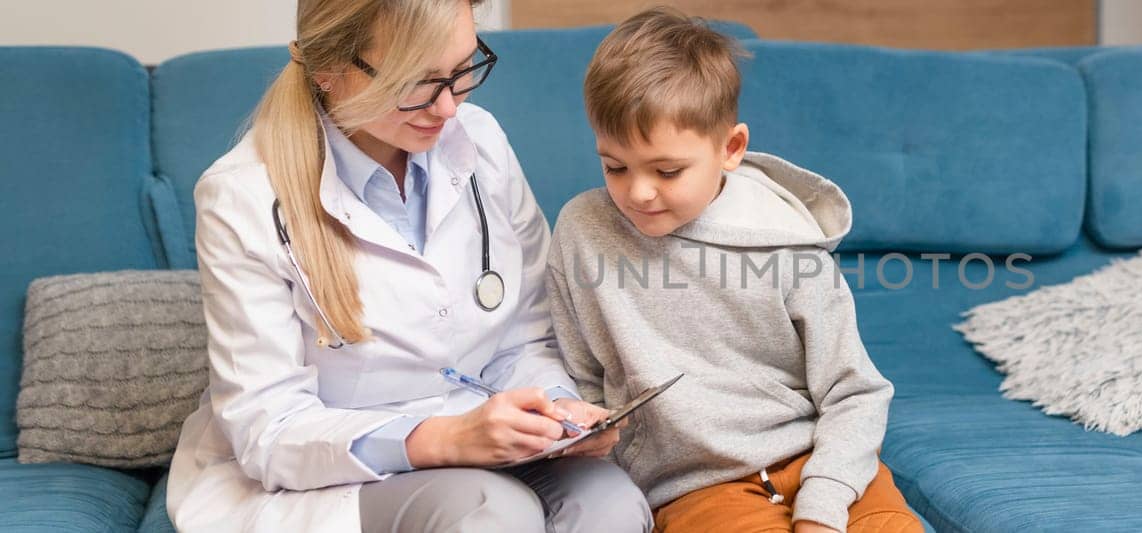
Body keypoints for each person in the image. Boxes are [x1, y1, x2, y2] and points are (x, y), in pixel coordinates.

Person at [165, 1, 650, 531]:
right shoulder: (241, 197)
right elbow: (270, 428)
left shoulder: (481, 140)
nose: (447, 108)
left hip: (490, 440)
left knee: (611, 507)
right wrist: (443, 439)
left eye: (463, 69)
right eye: (417, 82)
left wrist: (558, 411)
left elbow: (528, 336)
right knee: (493, 514)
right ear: (329, 70)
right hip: (335, 470)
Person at [547, 7, 923, 533]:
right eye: (614, 166)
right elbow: (580, 380)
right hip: (700, 491)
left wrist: (823, 506)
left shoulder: (787, 241)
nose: (637, 191)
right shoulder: (581, 232)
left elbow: (855, 392)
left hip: (827, 467)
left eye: (667, 170)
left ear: (731, 149)